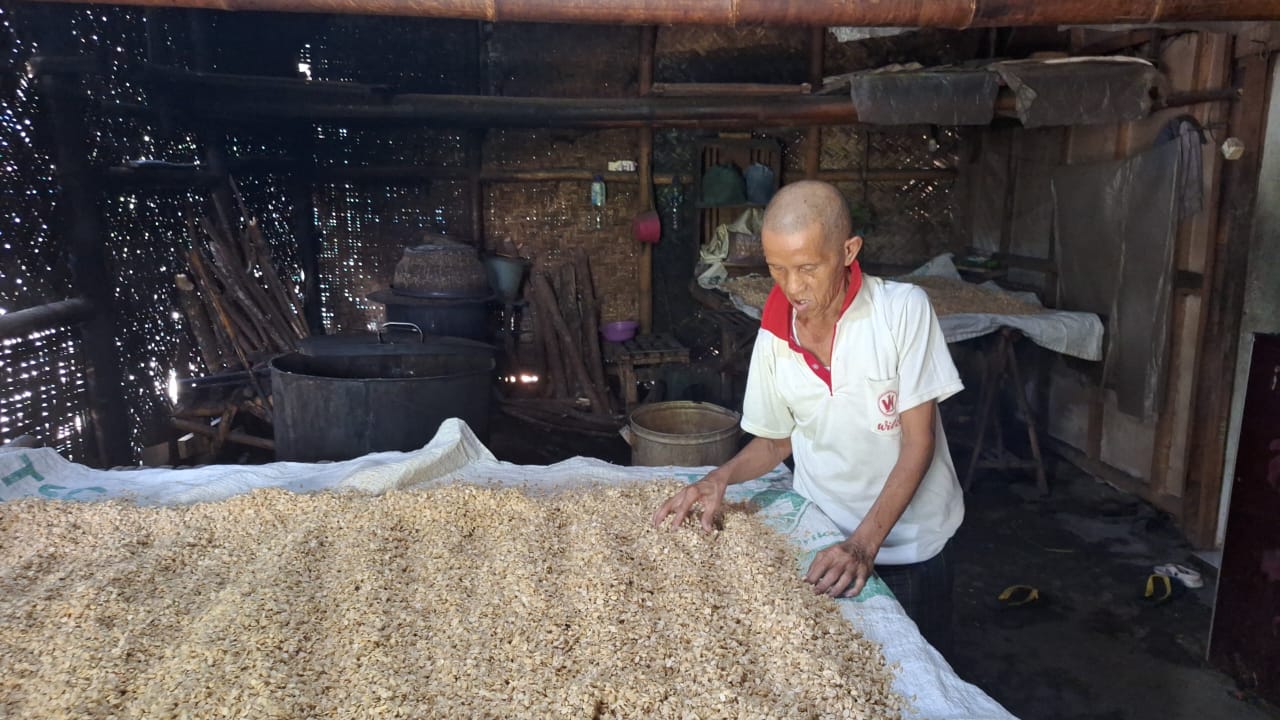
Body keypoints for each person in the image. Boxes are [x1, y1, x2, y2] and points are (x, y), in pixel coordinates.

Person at [653, 180, 964, 653]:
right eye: (777, 268)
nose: (792, 287)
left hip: (911, 543)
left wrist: (862, 546)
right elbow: (778, 441)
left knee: (913, 674)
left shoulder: (901, 312)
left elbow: (918, 442)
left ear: (848, 251)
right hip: (822, 537)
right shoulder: (775, 337)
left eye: (806, 268)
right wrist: (721, 477)